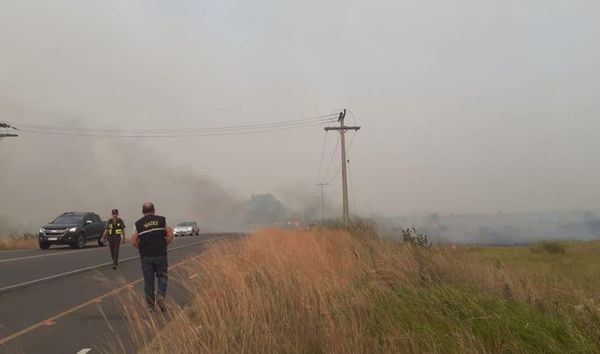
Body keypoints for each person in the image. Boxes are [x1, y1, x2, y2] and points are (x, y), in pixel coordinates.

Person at [130, 202, 173, 311]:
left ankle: (150, 306)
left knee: (148, 281)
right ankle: (161, 296)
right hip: (160, 254)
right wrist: (163, 245)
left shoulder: (138, 224)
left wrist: (142, 248)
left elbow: (133, 241)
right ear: (154, 210)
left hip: (146, 256)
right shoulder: (162, 220)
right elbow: (170, 235)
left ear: (142, 211)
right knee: (162, 277)